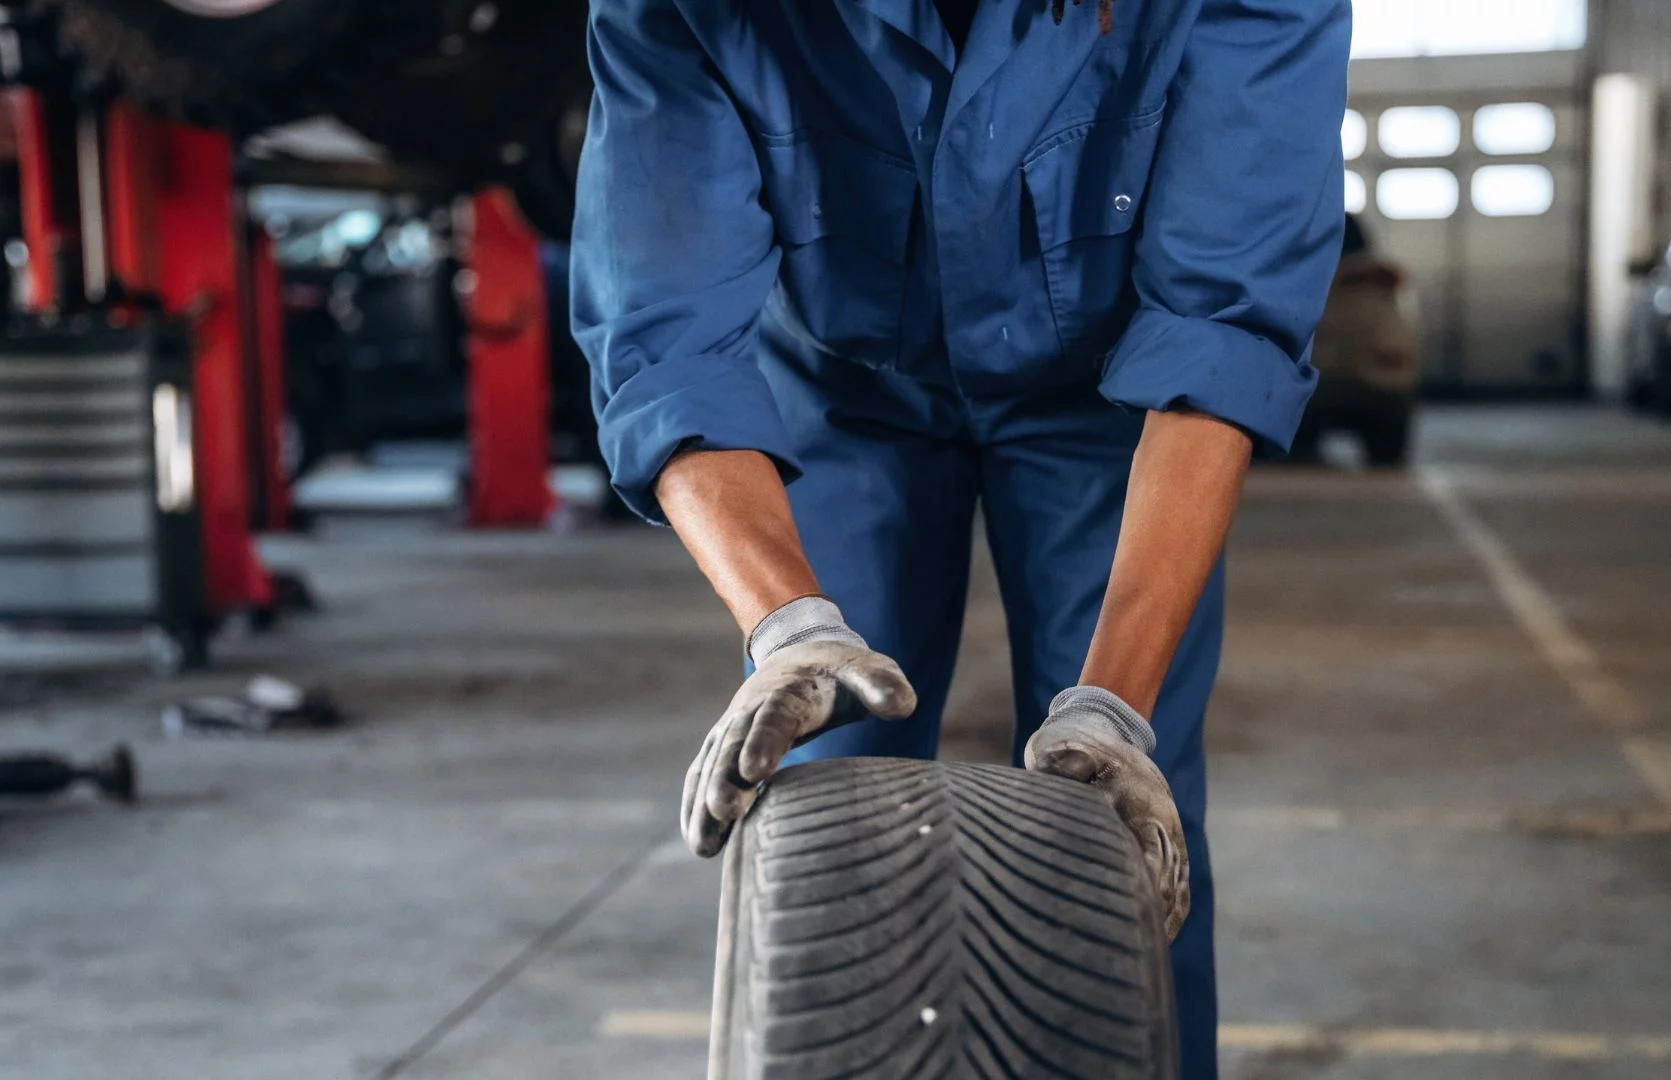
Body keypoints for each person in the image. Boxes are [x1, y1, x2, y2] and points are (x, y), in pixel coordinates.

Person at [570, 1, 1350, 1075]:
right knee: (830, 796)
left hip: (1118, 400)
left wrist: (1114, 706)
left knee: (1121, 819)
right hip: (846, 383)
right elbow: (666, 337)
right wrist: (787, 629)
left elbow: (1223, 333)